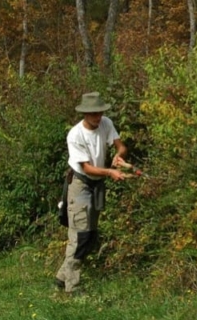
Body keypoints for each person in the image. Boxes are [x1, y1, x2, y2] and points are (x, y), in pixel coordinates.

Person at [55, 91, 127, 294]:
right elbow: (86, 168)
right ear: (85, 114)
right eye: (94, 114)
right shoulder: (75, 135)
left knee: (91, 234)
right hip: (80, 183)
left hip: (98, 183)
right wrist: (110, 171)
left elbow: (121, 146)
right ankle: (72, 287)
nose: (98, 117)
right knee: (80, 235)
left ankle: (61, 278)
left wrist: (118, 157)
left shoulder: (106, 123)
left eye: (100, 113)